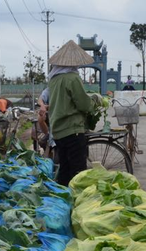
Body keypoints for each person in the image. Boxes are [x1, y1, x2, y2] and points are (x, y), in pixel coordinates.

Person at [47, 40, 98, 186]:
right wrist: (94, 102)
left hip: (58, 130)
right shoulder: (72, 78)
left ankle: (64, 200)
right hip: (72, 130)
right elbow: (83, 104)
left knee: (65, 169)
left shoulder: (54, 79)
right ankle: (78, 203)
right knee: (78, 172)